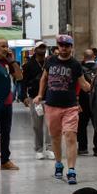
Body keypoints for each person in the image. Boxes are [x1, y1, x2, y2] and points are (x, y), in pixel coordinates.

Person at [37, 34, 91, 185]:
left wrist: (95, 87)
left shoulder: (75, 65)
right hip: (52, 105)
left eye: (67, 46)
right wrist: (40, 94)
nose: (64, 49)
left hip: (70, 107)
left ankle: (72, 170)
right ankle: (59, 164)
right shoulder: (50, 61)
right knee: (55, 137)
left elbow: (84, 84)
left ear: (71, 47)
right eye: (62, 46)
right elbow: (44, 78)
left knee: (70, 136)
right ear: (58, 47)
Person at [0, 38, 21, 173]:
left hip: (7, 102)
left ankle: (5, 160)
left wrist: (12, 61)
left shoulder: (8, 62)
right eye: (2, 46)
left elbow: (19, 77)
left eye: (6, 46)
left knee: (6, 132)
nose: (5, 48)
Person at [22, 43, 53, 160]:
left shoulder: (49, 63)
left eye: (44, 47)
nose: (42, 50)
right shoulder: (28, 65)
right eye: (40, 47)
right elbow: (23, 81)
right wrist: (24, 96)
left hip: (49, 97)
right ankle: (39, 149)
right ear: (35, 50)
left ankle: (49, 148)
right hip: (35, 98)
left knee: (50, 125)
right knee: (37, 125)